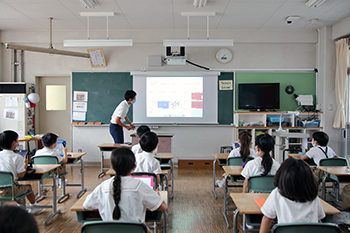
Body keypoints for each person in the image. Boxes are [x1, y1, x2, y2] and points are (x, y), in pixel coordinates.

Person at [83, 147, 167, 222]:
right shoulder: (140, 186)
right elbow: (163, 207)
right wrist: (156, 195)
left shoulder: (103, 187)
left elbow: (85, 206)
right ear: (134, 166)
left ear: (112, 166)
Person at [259, 158, 325, 233]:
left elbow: (267, 218)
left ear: (282, 177)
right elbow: (319, 218)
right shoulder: (313, 196)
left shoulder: (277, 193)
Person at [0, 130, 42, 215]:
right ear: (13, 142)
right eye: (17, 140)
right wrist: (25, 164)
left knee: (16, 187)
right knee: (28, 187)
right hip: (10, 190)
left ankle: (21, 206)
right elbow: (21, 175)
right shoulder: (17, 157)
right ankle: (34, 206)